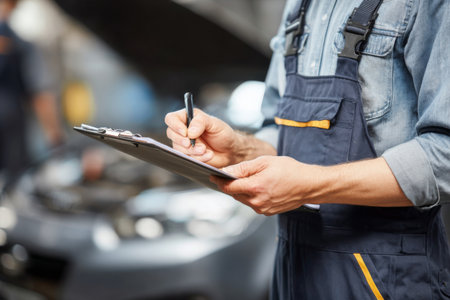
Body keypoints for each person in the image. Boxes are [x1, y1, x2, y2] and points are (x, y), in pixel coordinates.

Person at [165, 0, 450, 299]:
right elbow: (282, 131)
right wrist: (239, 148)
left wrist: (310, 186)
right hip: (294, 271)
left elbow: (445, 155)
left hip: (384, 278)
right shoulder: (300, 6)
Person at [0, 0, 63, 180]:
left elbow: (40, 93)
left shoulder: (20, 45)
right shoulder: (21, 45)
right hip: (10, 126)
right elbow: (40, 94)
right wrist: (55, 137)